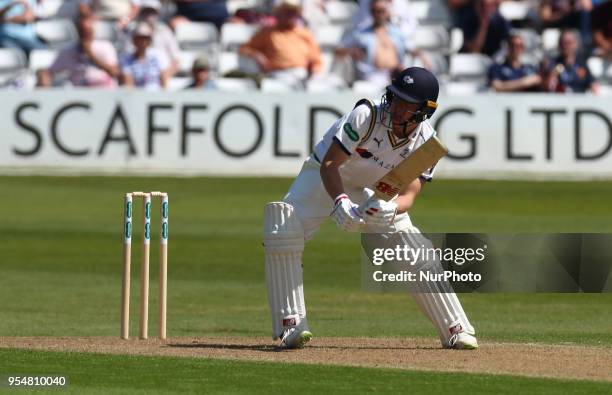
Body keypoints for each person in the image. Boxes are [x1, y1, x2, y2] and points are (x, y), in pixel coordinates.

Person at [263, 67, 478, 350]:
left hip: (376, 189)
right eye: (396, 99)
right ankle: (290, 325)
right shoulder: (367, 114)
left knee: (412, 248)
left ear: (426, 110)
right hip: (325, 177)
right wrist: (340, 201)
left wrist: (393, 208)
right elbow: (330, 164)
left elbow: (411, 191)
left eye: (407, 104)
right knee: (283, 226)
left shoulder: (427, 143)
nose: (398, 108)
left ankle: (456, 328)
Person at [337, 0, 429, 88]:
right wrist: (352, 51)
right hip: (372, 77)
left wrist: (423, 58)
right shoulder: (361, 33)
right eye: (375, 11)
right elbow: (339, 50)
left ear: (387, 12)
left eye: (382, 11)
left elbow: (412, 48)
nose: (378, 14)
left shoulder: (397, 32)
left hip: (395, 76)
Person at [239, 0, 322, 88]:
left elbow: (316, 59)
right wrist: (257, 55)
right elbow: (244, 49)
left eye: (293, 13)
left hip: (302, 74)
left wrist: (313, 73)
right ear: (278, 14)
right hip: (277, 74)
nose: (291, 16)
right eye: (287, 12)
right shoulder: (267, 33)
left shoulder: (304, 34)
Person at [38, 16, 119, 87]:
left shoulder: (105, 46)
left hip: (103, 89)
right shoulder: (68, 51)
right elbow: (49, 71)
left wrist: (91, 55)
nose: (85, 35)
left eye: (88, 32)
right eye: (82, 32)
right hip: (79, 92)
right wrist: (43, 78)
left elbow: (114, 72)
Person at [119, 22, 167, 89]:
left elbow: (164, 80)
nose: (143, 42)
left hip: (157, 96)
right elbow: (128, 83)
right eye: (140, 38)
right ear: (134, 40)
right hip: (137, 96)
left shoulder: (158, 56)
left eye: (146, 39)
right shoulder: (126, 59)